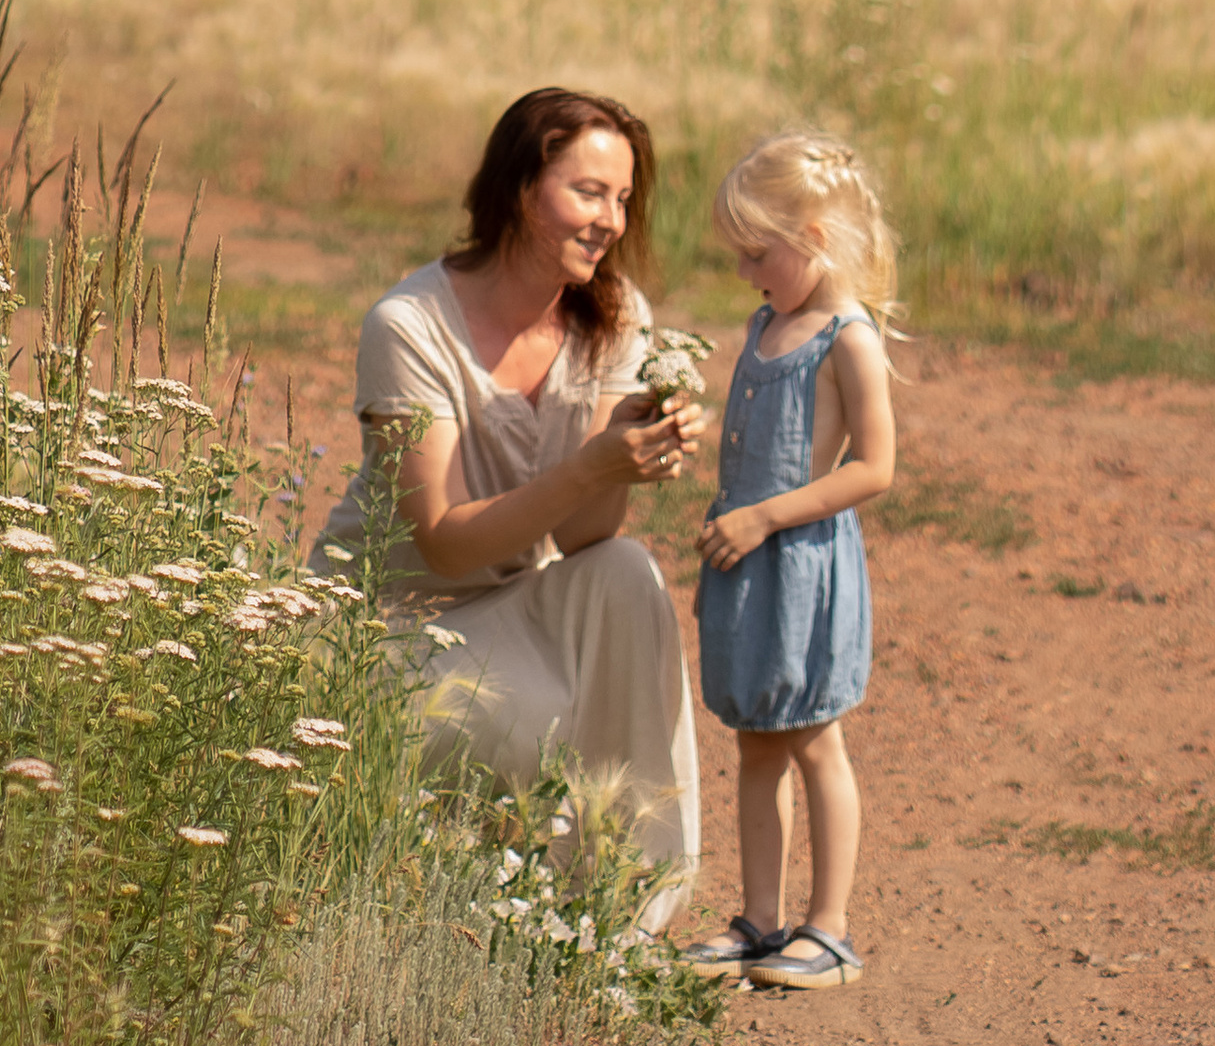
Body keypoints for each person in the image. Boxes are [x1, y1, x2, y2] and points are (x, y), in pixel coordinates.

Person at [314, 86, 704, 925]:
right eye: (588, 192)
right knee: (531, 714)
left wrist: (629, 460)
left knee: (630, 572)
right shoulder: (409, 326)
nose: (611, 220)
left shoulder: (613, 316)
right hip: (387, 630)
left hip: (512, 606)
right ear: (522, 191)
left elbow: (583, 536)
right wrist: (591, 465)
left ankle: (619, 902)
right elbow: (448, 544)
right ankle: (492, 906)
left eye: (624, 199)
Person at [686, 133, 899, 992]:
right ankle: (761, 921)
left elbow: (875, 467)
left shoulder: (848, 339)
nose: (746, 272)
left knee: (813, 737)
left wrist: (766, 515)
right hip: (750, 563)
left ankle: (831, 928)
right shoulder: (766, 325)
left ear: (810, 236)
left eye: (755, 253)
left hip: (803, 563)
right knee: (757, 743)